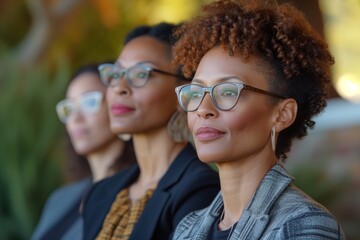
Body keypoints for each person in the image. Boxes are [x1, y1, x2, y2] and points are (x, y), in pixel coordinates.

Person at [171, 0, 346, 239]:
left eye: (228, 91)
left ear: (282, 114)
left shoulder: (304, 226)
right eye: (196, 92)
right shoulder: (186, 229)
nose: (203, 109)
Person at [82, 23, 220, 240]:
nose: (120, 87)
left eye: (141, 74)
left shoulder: (200, 190)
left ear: (184, 92)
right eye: (116, 73)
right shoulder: (100, 193)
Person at [31, 63, 136, 240]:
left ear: (118, 105)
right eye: (69, 107)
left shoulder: (138, 195)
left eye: (89, 102)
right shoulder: (60, 198)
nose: (76, 117)